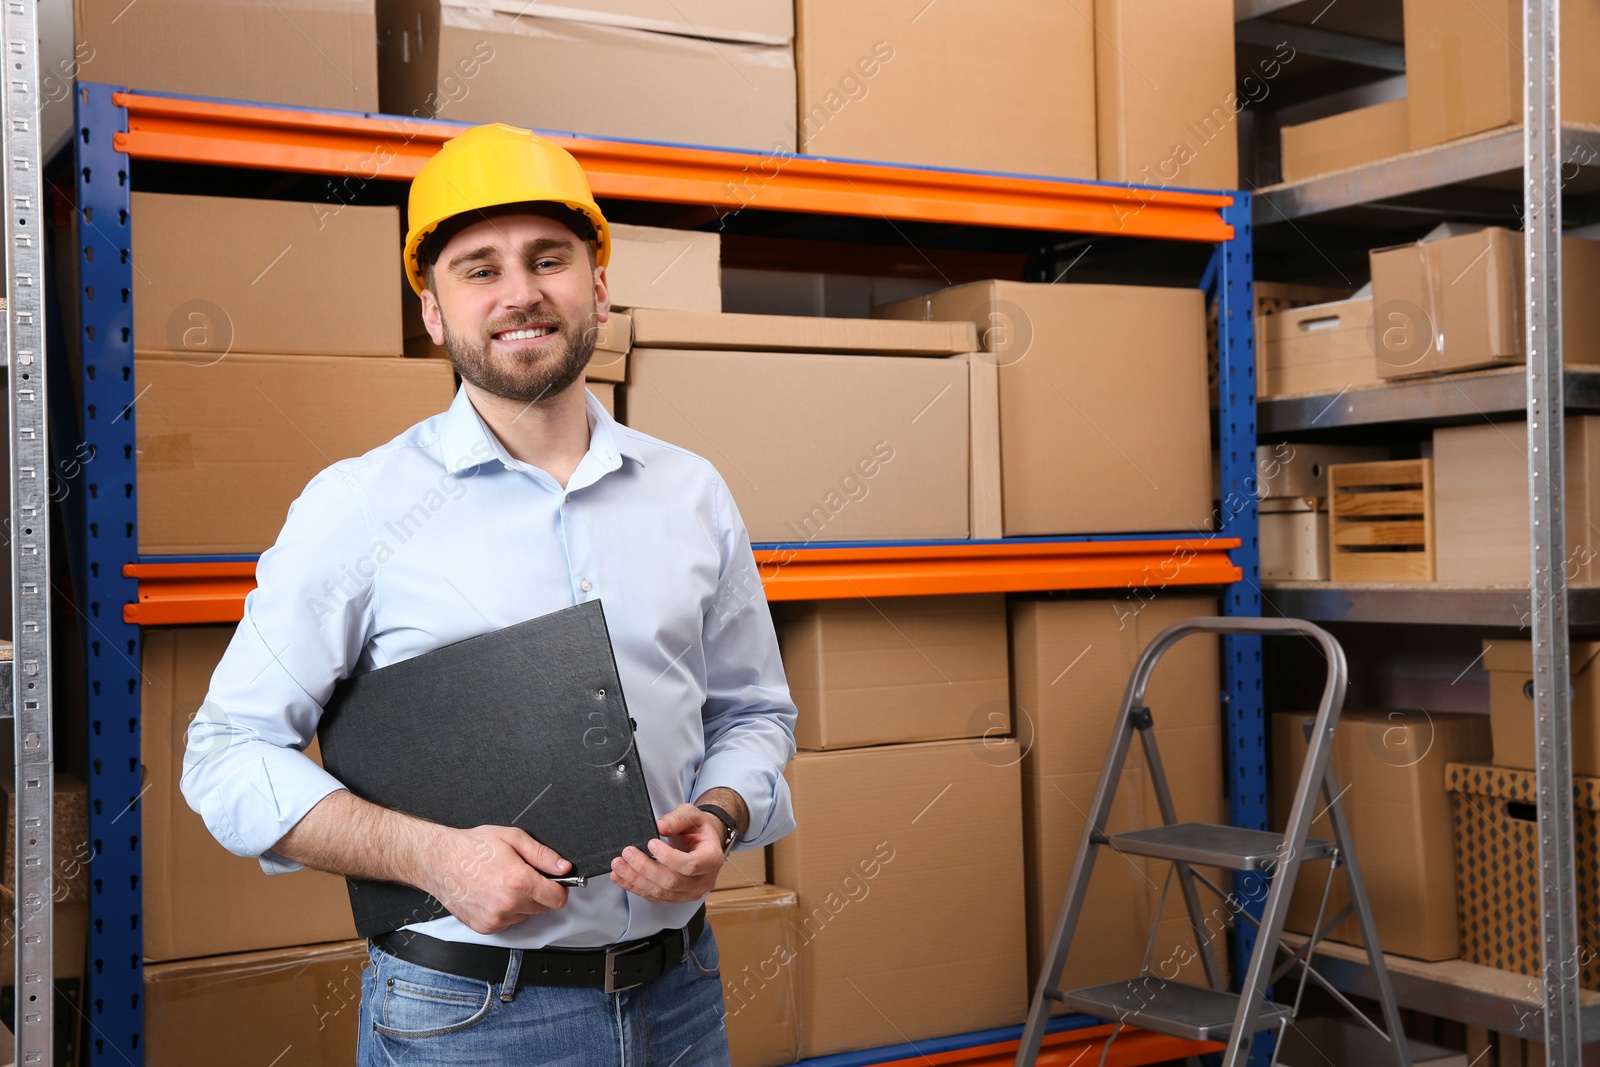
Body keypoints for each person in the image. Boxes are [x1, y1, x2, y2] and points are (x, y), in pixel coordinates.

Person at [180, 122, 798, 1066]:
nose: (520, 292)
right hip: (470, 1016)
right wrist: (433, 857)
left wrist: (719, 813)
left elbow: (755, 711)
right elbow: (225, 756)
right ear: (433, 312)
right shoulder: (359, 507)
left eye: (548, 259)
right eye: (479, 269)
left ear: (596, 284)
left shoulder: (692, 491)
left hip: (682, 995)